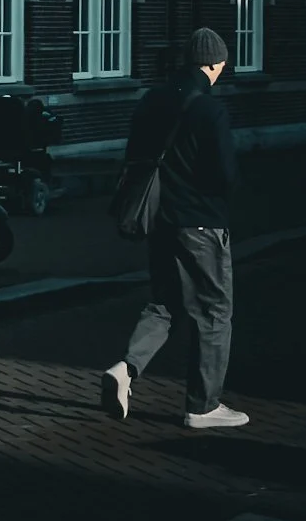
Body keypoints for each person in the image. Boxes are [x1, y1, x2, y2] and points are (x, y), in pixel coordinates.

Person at [102, 28, 247, 429]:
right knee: (215, 312)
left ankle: (126, 369)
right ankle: (204, 406)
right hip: (200, 223)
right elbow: (225, 173)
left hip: (158, 220)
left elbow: (134, 156)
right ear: (215, 64)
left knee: (164, 302)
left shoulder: (152, 99)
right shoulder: (210, 110)